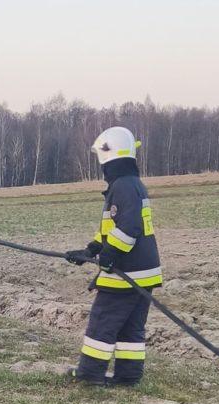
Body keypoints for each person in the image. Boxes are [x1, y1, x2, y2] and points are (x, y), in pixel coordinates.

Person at [64, 127, 162, 386]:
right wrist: (90, 250)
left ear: (108, 156)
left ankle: (89, 375)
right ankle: (128, 377)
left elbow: (128, 229)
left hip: (126, 273)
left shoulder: (123, 187)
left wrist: (109, 256)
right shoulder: (130, 184)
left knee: (102, 322)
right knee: (131, 327)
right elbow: (112, 229)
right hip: (143, 272)